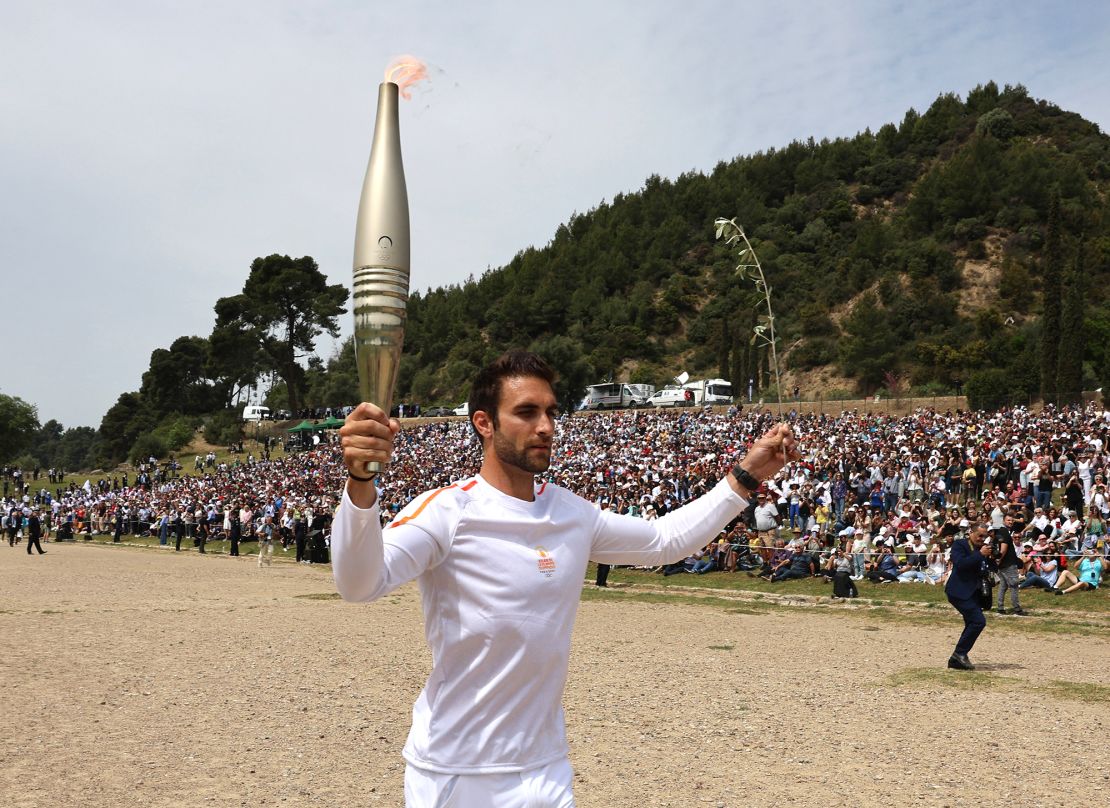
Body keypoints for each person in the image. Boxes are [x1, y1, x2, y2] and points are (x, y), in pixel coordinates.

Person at [331, 350, 799, 807]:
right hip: (459, 773)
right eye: (527, 412)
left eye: (551, 412)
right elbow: (360, 584)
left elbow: (664, 540)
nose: (545, 427)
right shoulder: (447, 512)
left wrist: (745, 476)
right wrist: (360, 482)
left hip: (546, 767)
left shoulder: (570, 513)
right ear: (484, 423)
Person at [944, 523, 995, 670]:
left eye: (984, 536)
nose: (982, 539)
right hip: (958, 591)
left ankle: (958, 657)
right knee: (978, 622)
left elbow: (983, 567)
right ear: (970, 533)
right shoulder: (959, 545)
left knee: (972, 623)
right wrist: (980, 555)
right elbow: (960, 564)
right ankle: (959, 654)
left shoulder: (982, 549)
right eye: (979, 535)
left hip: (974, 593)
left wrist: (991, 559)